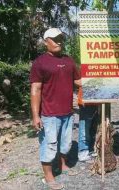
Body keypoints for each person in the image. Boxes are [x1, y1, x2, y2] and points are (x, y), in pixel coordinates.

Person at [30, 28, 81, 190]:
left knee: (66, 144)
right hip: (49, 114)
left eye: (60, 38)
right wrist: (35, 116)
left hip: (67, 112)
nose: (58, 41)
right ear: (46, 42)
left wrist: (101, 79)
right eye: (54, 38)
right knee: (49, 145)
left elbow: (79, 81)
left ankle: (63, 164)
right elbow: (35, 90)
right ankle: (48, 175)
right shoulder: (40, 62)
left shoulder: (69, 60)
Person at [77, 87, 98, 162]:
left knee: (94, 127)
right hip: (85, 101)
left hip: (99, 99)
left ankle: (91, 150)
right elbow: (76, 81)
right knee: (84, 128)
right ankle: (83, 152)